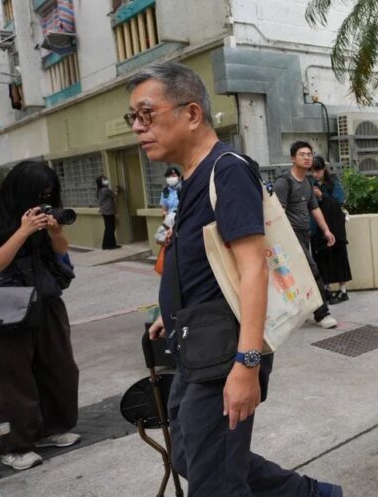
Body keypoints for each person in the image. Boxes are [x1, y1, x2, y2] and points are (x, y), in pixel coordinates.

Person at [131, 62, 342, 497]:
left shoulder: (226, 170)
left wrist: (247, 364)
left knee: (216, 483)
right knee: (189, 454)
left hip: (224, 353)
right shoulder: (193, 176)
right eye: (132, 117)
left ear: (192, 113)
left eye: (147, 114)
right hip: (195, 342)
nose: (137, 127)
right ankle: (314, 494)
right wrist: (170, 311)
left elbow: (253, 267)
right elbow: (205, 262)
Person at [0, 161, 79, 471]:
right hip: (5, 306)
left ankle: (52, 428)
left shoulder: (39, 211)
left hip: (44, 297)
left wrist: (55, 231)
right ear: (21, 190)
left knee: (58, 367)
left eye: (48, 195)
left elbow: (60, 250)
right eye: (38, 194)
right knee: (11, 379)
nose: (43, 200)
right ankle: (15, 445)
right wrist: (23, 231)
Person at [273, 142, 339, 329]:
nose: (307, 157)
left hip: (304, 233)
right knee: (312, 271)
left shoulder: (308, 182)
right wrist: (284, 239)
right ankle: (322, 314)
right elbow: (278, 214)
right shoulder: (284, 183)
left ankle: (299, 311)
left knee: (294, 276)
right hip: (289, 236)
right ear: (292, 158)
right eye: (302, 154)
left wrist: (326, 230)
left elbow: (314, 208)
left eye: (309, 154)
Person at [309, 157, 352, 304]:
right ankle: (326, 288)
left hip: (335, 226)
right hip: (318, 227)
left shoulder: (334, 184)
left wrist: (322, 196)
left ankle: (343, 290)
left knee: (339, 256)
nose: (315, 174)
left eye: (318, 171)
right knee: (321, 257)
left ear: (324, 169)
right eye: (313, 171)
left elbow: (338, 203)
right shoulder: (310, 184)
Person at [96, 174, 121, 250]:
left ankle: (105, 245)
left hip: (104, 211)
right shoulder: (105, 190)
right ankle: (111, 245)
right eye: (104, 180)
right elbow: (114, 195)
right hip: (109, 211)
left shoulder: (100, 190)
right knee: (111, 228)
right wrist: (117, 190)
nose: (106, 181)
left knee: (107, 228)